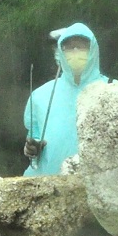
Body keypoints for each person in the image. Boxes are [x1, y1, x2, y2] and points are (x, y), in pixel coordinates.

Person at [23, 22, 108, 176]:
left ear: (93, 49)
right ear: (61, 51)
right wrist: (33, 150)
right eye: (69, 47)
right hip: (49, 189)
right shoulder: (40, 96)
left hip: (97, 189)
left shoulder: (112, 91)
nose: (75, 52)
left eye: (81, 46)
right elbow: (34, 139)